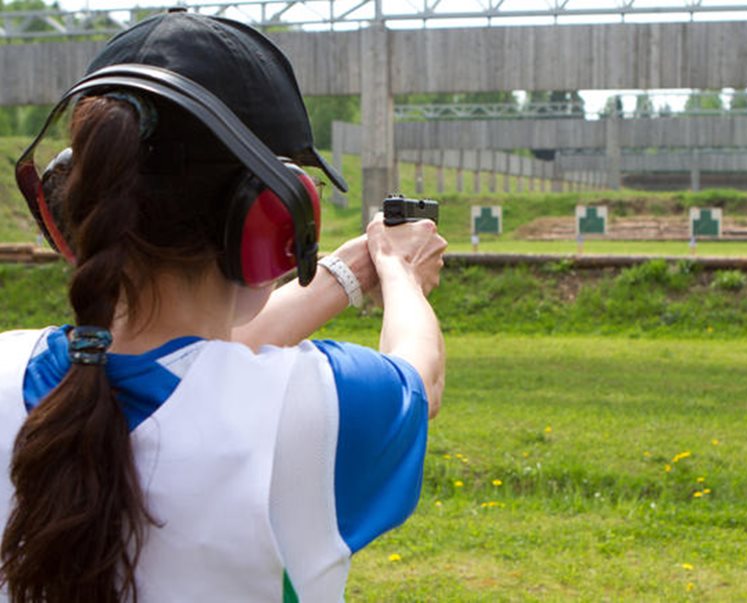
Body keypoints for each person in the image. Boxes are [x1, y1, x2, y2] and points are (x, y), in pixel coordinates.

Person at [0, 10, 446, 603]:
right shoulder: (314, 411)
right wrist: (401, 274)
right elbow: (419, 380)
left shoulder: (9, 372)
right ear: (270, 223)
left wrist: (351, 271)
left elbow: (190, 366)